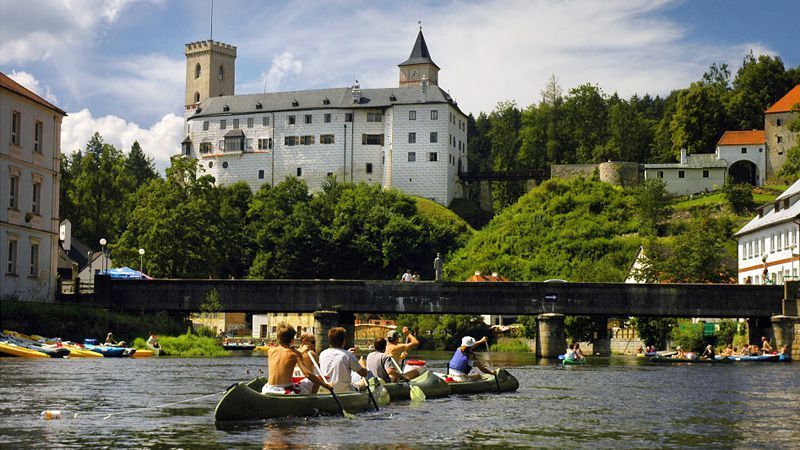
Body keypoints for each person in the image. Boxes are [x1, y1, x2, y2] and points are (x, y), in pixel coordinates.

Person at [264, 324, 330, 395]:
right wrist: (325, 385)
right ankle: (310, 402)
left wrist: (300, 351)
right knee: (317, 380)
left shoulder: (270, 351)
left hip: (268, 388)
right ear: (292, 340)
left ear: (278, 337)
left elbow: (284, 358)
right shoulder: (295, 354)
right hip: (285, 391)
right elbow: (307, 374)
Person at [319, 327, 369, 392]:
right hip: (345, 391)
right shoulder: (348, 356)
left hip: (327, 389)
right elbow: (364, 373)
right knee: (364, 382)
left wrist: (347, 352)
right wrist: (362, 362)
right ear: (344, 341)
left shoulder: (322, 354)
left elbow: (336, 359)